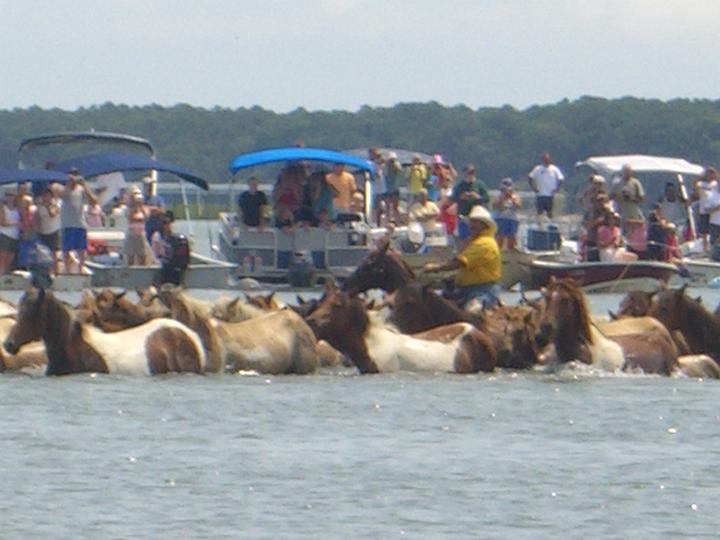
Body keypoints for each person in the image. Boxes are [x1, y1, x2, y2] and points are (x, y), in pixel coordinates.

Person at [424, 205, 501, 308]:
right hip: (464, 290)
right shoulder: (475, 242)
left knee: (473, 310)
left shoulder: (484, 243)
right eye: (471, 222)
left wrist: (436, 267)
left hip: (482, 291)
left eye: (475, 222)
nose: (471, 225)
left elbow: (460, 262)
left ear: (484, 225)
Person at [60, 168, 97, 274]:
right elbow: (62, 196)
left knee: (81, 249)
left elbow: (93, 201)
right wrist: (68, 183)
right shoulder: (64, 189)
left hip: (80, 223)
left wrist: (84, 185)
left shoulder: (81, 189)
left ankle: (81, 269)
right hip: (67, 223)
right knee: (67, 249)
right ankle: (67, 270)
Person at [610, 164, 646, 256]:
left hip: (632, 212)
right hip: (620, 212)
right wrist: (619, 197)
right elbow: (611, 196)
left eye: (629, 171)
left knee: (634, 232)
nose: (627, 173)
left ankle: (634, 250)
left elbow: (641, 198)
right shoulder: (617, 184)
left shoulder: (635, 183)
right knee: (621, 232)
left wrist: (631, 198)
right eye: (625, 171)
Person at [451, 164, 490, 248]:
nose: (468, 175)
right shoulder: (460, 186)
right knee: (464, 238)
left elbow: (487, 198)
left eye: (470, 173)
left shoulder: (479, 184)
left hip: (477, 217)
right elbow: (453, 198)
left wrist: (477, 197)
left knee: (477, 238)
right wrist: (461, 197)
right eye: (466, 173)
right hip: (464, 215)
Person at [528, 152, 565, 218]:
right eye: (544, 159)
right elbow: (530, 177)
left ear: (550, 159)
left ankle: (550, 225)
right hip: (540, 194)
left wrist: (557, 189)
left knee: (550, 212)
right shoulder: (538, 168)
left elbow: (561, 179)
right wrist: (533, 187)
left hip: (550, 195)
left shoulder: (554, 169)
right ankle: (540, 225)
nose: (546, 160)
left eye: (547, 159)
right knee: (539, 212)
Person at [36, 186, 61, 276]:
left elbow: (52, 214)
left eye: (48, 196)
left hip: (54, 231)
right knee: (43, 254)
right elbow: (38, 219)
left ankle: (56, 273)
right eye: (44, 196)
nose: (46, 198)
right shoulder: (40, 207)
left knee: (54, 254)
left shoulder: (56, 205)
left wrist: (48, 205)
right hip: (43, 232)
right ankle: (46, 273)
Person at [492, 178, 521, 250]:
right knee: (499, 237)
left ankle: (510, 255)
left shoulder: (515, 196)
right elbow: (495, 206)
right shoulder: (498, 196)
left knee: (512, 238)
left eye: (508, 185)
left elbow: (518, 205)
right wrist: (503, 198)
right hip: (500, 218)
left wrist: (511, 197)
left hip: (512, 219)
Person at [125, 193, 149, 266]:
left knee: (142, 256)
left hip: (141, 235)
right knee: (130, 257)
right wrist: (134, 207)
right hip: (132, 235)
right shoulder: (129, 210)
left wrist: (141, 207)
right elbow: (130, 218)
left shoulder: (144, 209)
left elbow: (146, 217)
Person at [0, 187, 20, 274]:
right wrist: (15, 224)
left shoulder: (17, 208)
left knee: (11, 257)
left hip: (15, 236)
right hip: (4, 235)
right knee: (3, 257)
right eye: (8, 195)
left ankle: (6, 276)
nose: (10, 197)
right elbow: (2, 222)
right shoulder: (2, 208)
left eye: (12, 195)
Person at [141, 176, 166, 243]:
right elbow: (141, 210)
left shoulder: (158, 199)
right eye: (148, 185)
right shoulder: (141, 199)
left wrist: (154, 209)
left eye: (151, 185)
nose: (150, 187)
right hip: (146, 227)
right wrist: (152, 209)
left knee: (160, 241)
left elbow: (163, 210)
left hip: (157, 226)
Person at [384, 152, 403, 222]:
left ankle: (397, 221)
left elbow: (400, 171)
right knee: (387, 207)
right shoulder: (386, 167)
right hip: (388, 190)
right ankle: (387, 221)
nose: (392, 162)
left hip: (395, 189)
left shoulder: (397, 166)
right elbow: (384, 174)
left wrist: (395, 165)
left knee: (396, 207)